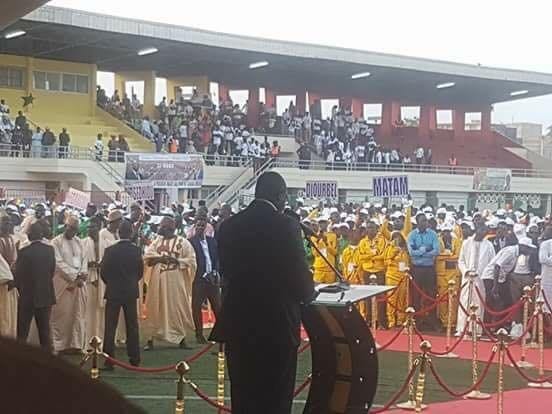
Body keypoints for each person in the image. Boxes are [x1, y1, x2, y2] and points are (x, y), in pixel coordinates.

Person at [210, 171, 315, 414]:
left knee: (244, 395)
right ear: (280, 196)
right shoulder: (286, 226)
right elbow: (300, 281)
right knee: (275, 398)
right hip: (276, 325)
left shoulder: (229, 227)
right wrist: (308, 293)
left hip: (238, 324)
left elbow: (226, 271)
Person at [143, 216, 196, 350]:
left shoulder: (183, 243)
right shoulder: (156, 242)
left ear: (168, 228)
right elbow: (147, 258)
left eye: (161, 226)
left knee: (176, 308)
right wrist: (160, 259)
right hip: (157, 281)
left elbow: (191, 261)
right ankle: (150, 339)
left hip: (175, 282)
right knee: (154, 307)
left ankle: (181, 339)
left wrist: (177, 261)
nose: (158, 228)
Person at [100, 219, 143, 369]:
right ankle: (135, 358)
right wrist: (130, 282)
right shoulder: (136, 250)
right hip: (130, 291)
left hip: (113, 291)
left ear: (118, 232)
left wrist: (111, 283)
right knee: (132, 325)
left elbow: (103, 271)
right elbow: (140, 272)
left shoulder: (110, 250)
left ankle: (109, 359)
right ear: (131, 233)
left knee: (110, 326)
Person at [14, 222, 56, 351]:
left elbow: (19, 275)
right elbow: (51, 271)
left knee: (22, 332)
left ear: (29, 235)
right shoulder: (49, 250)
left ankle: (19, 360)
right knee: (45, 332)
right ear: (41, 235)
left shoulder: (24, 252)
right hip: (45, 294)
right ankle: (48, 362)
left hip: (27, 296)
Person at [50, 216, 88, 353]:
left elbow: (85, 259)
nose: (73, 232)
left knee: (77, 315)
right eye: (71, 228)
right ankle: (60, 345)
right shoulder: (56, 242)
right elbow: (58, 263)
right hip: (62, 286)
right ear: (65, 226)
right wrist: (74, 276)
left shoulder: (79, 242)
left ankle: (75, 344)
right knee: (61, 316)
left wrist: (82, 274)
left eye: (75, 230)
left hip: (78, 286)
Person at [481, 240, 535, 327]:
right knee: (492, 302)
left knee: (504, 302)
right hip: (491, 277)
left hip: (500, 279)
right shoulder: (510, 252)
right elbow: (497, 266)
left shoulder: (517, 254)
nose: (530, 251)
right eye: (528, 249)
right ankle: (488, 327)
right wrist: (495, 286)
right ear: (522, 247)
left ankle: (499, 326)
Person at [456, 224, 495, 336]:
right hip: (467, 278)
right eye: (481, 229)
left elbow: (492, 263)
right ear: (476, 229)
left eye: (485, 230)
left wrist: (485, 275)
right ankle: (461, 328)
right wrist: (466, 271)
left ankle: (476, 329)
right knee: (464, 301)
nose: (483, 232)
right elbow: (461, 261)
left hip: (481, 279)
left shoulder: (489, 245)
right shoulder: (466, 243)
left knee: (478, 303)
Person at [189, 213, 221, 344]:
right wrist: (203, 274)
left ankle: (220, 333)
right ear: (195, 226)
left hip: (212, 279)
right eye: (198, 225)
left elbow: (216, 258)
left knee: (218, 307)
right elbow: (192, 261)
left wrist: (215, 272)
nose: (200, 227)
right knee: (196, 307)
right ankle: (199, 335)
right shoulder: (190, 242)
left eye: (203, 224)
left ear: (206, 225)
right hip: (199, 280)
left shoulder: (212, 241)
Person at [407, 213, 440, 329]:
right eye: (422, 221)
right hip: (416, 269)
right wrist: (426, 250)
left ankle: (431, 320)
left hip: (429, 269)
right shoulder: (411, 235)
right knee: (416, 296)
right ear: (417, 222)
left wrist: (420, 252)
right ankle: (417, 320)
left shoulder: (433, 234)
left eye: (426, 221)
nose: (425, 223)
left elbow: (436, 251)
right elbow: (411, 253)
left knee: (431, 295)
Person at [359, 221, 388, 327]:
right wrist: (373, 254)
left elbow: (383, 255)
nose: (369, 230)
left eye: (372, 227)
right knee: (367, 297)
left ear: (377, 229)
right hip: (367, 271)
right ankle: (369, 320)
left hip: (379, 271)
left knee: (380, 298)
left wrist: (370, 255)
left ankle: (380, 321)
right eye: (368, 228)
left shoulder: (382, 240)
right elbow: (361, 257)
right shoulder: (362, 242)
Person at [436, 224, 461, 329]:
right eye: (444, 231)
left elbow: (458, 256)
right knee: (442, 299)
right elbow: (436, 256)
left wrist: (445, 256)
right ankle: (444, 322)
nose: (446, 233)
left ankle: (452, 322)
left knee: (453, 299)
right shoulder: (437, 241)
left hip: (453, 274)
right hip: (441, 274)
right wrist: (448, 256)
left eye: (448, 231)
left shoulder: (456, 241)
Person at [83, 217, 104, 341]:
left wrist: (102, 264)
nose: (90, 229)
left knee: (101, 312)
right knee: (88, 311)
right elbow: (77, 261)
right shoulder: (83, 243)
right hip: (89, 280)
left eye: (93, 227)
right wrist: (87, 264)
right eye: (88, 227)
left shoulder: (106, 243)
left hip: (103, 280)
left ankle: (101, 338)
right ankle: (87, 340)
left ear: (99, 228)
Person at [384, 231, 409, 328]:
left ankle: (400, 319)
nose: (397, 239)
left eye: (399, 237)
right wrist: (395, 251)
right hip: (392, 276)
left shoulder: (406, 250)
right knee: (391, 299)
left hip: (403, 277)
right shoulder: (390, 248)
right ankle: (391, 320)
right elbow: (386, 262)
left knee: (401, 299)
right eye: (394, 237)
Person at [311, 217, 337, 283]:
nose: (322, 224)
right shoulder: (314, 237)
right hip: (319, 269)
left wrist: (326, 242)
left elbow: (334, 252)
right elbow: (315, 254)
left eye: (323, 222)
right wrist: (318, 240)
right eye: (320, 223)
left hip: (330, 268)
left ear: (327, 223)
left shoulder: (333, 236)